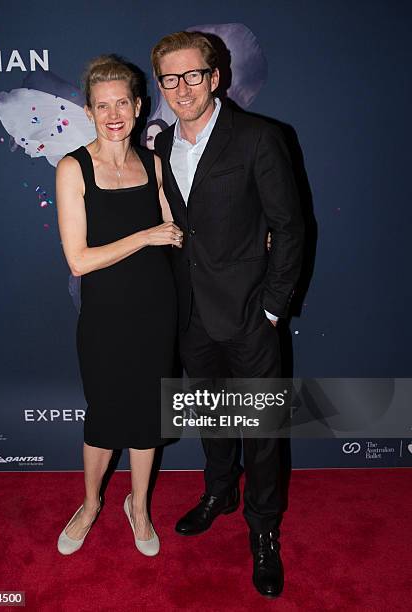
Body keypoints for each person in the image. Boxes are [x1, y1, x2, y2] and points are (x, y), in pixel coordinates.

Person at [151, 32, 304, 597]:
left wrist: (271, 308)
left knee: (262, 430)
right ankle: (219, 491)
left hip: (248, 315)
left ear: (216, 77)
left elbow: (290, 228)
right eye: (171, 79)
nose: (182, 88)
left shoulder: (259, 138)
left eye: (193, 75)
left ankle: (264, 531)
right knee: (212, 416)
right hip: (191, 313)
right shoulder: (162, 145)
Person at [55, 55, 181, 557]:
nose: (113, 113)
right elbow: (80, 260)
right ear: (88, 111)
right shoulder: (73, 168)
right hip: (106, 317)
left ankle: (139, 506)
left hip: (157, 311)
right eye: (102, 105)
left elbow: (176, 234)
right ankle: (89, 505)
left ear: (137, 106)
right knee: (105, 416)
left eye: (122, 103)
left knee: (150, 416)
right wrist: (146, 234)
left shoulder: (152, 164)